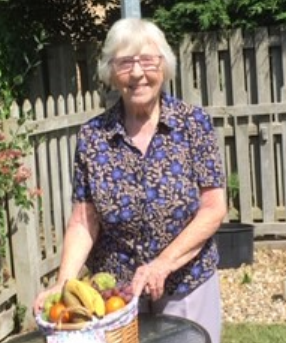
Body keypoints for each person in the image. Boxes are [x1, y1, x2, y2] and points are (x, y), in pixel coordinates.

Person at [33, 17, 227, 342]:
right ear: (111, 73)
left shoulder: (193, 124)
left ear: (164, 66)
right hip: (115, 298)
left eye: (147, 60)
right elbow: (84, 220)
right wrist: (64, 283)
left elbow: (213, 207)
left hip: (185, 286)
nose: (137, 73)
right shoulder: (93, 137)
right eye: (125, 63)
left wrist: (162, 264)